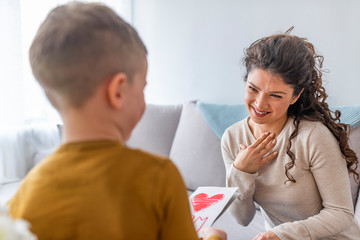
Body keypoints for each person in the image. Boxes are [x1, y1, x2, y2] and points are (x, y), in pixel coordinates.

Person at [7, 2, 226, 240]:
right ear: (118, 92)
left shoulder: (23, 198)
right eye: (143, 88)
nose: (143, 99)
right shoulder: (159, 178)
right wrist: (213, 237)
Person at [221, 28, 360, 240]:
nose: (259, 104)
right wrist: (241, 171)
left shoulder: (313, 137)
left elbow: (341, 213)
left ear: (295, 97)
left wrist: (281, 234)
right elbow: (243, 219)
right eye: (253, 88)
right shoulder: (232, 139)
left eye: (275, 95)